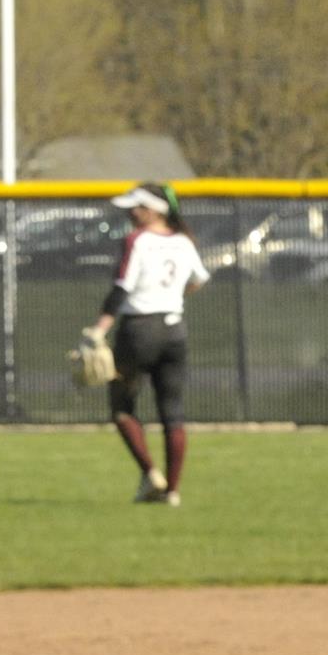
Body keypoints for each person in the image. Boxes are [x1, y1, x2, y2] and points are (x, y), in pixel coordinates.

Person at [86, 182, 210, 506]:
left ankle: (150, 474)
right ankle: (173, 492)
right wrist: (171, 297)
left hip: (139, 330)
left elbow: (121, 288)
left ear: (154, 209)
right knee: (172, 412)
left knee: (122, 408)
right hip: (174, 329)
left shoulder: (137, 240)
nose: (131, 212)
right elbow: (199, 279)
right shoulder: (183, 241)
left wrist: (99, 329)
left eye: (137, 207)